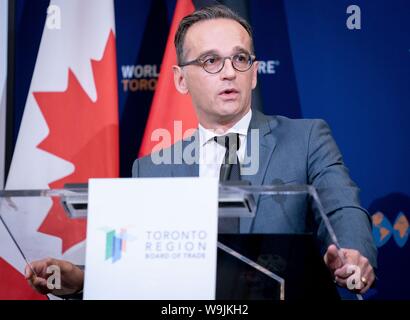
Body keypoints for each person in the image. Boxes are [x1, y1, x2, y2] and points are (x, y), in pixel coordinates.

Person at [26, 5, 376, 297]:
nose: (228, 72)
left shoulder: (306, 138)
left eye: (240, 58)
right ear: (180, 79)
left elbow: (342, 207)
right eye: (210, 61)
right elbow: (136, 263)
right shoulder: (152, 169)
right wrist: (84, 280)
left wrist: (352, 254)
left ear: (254, 74)